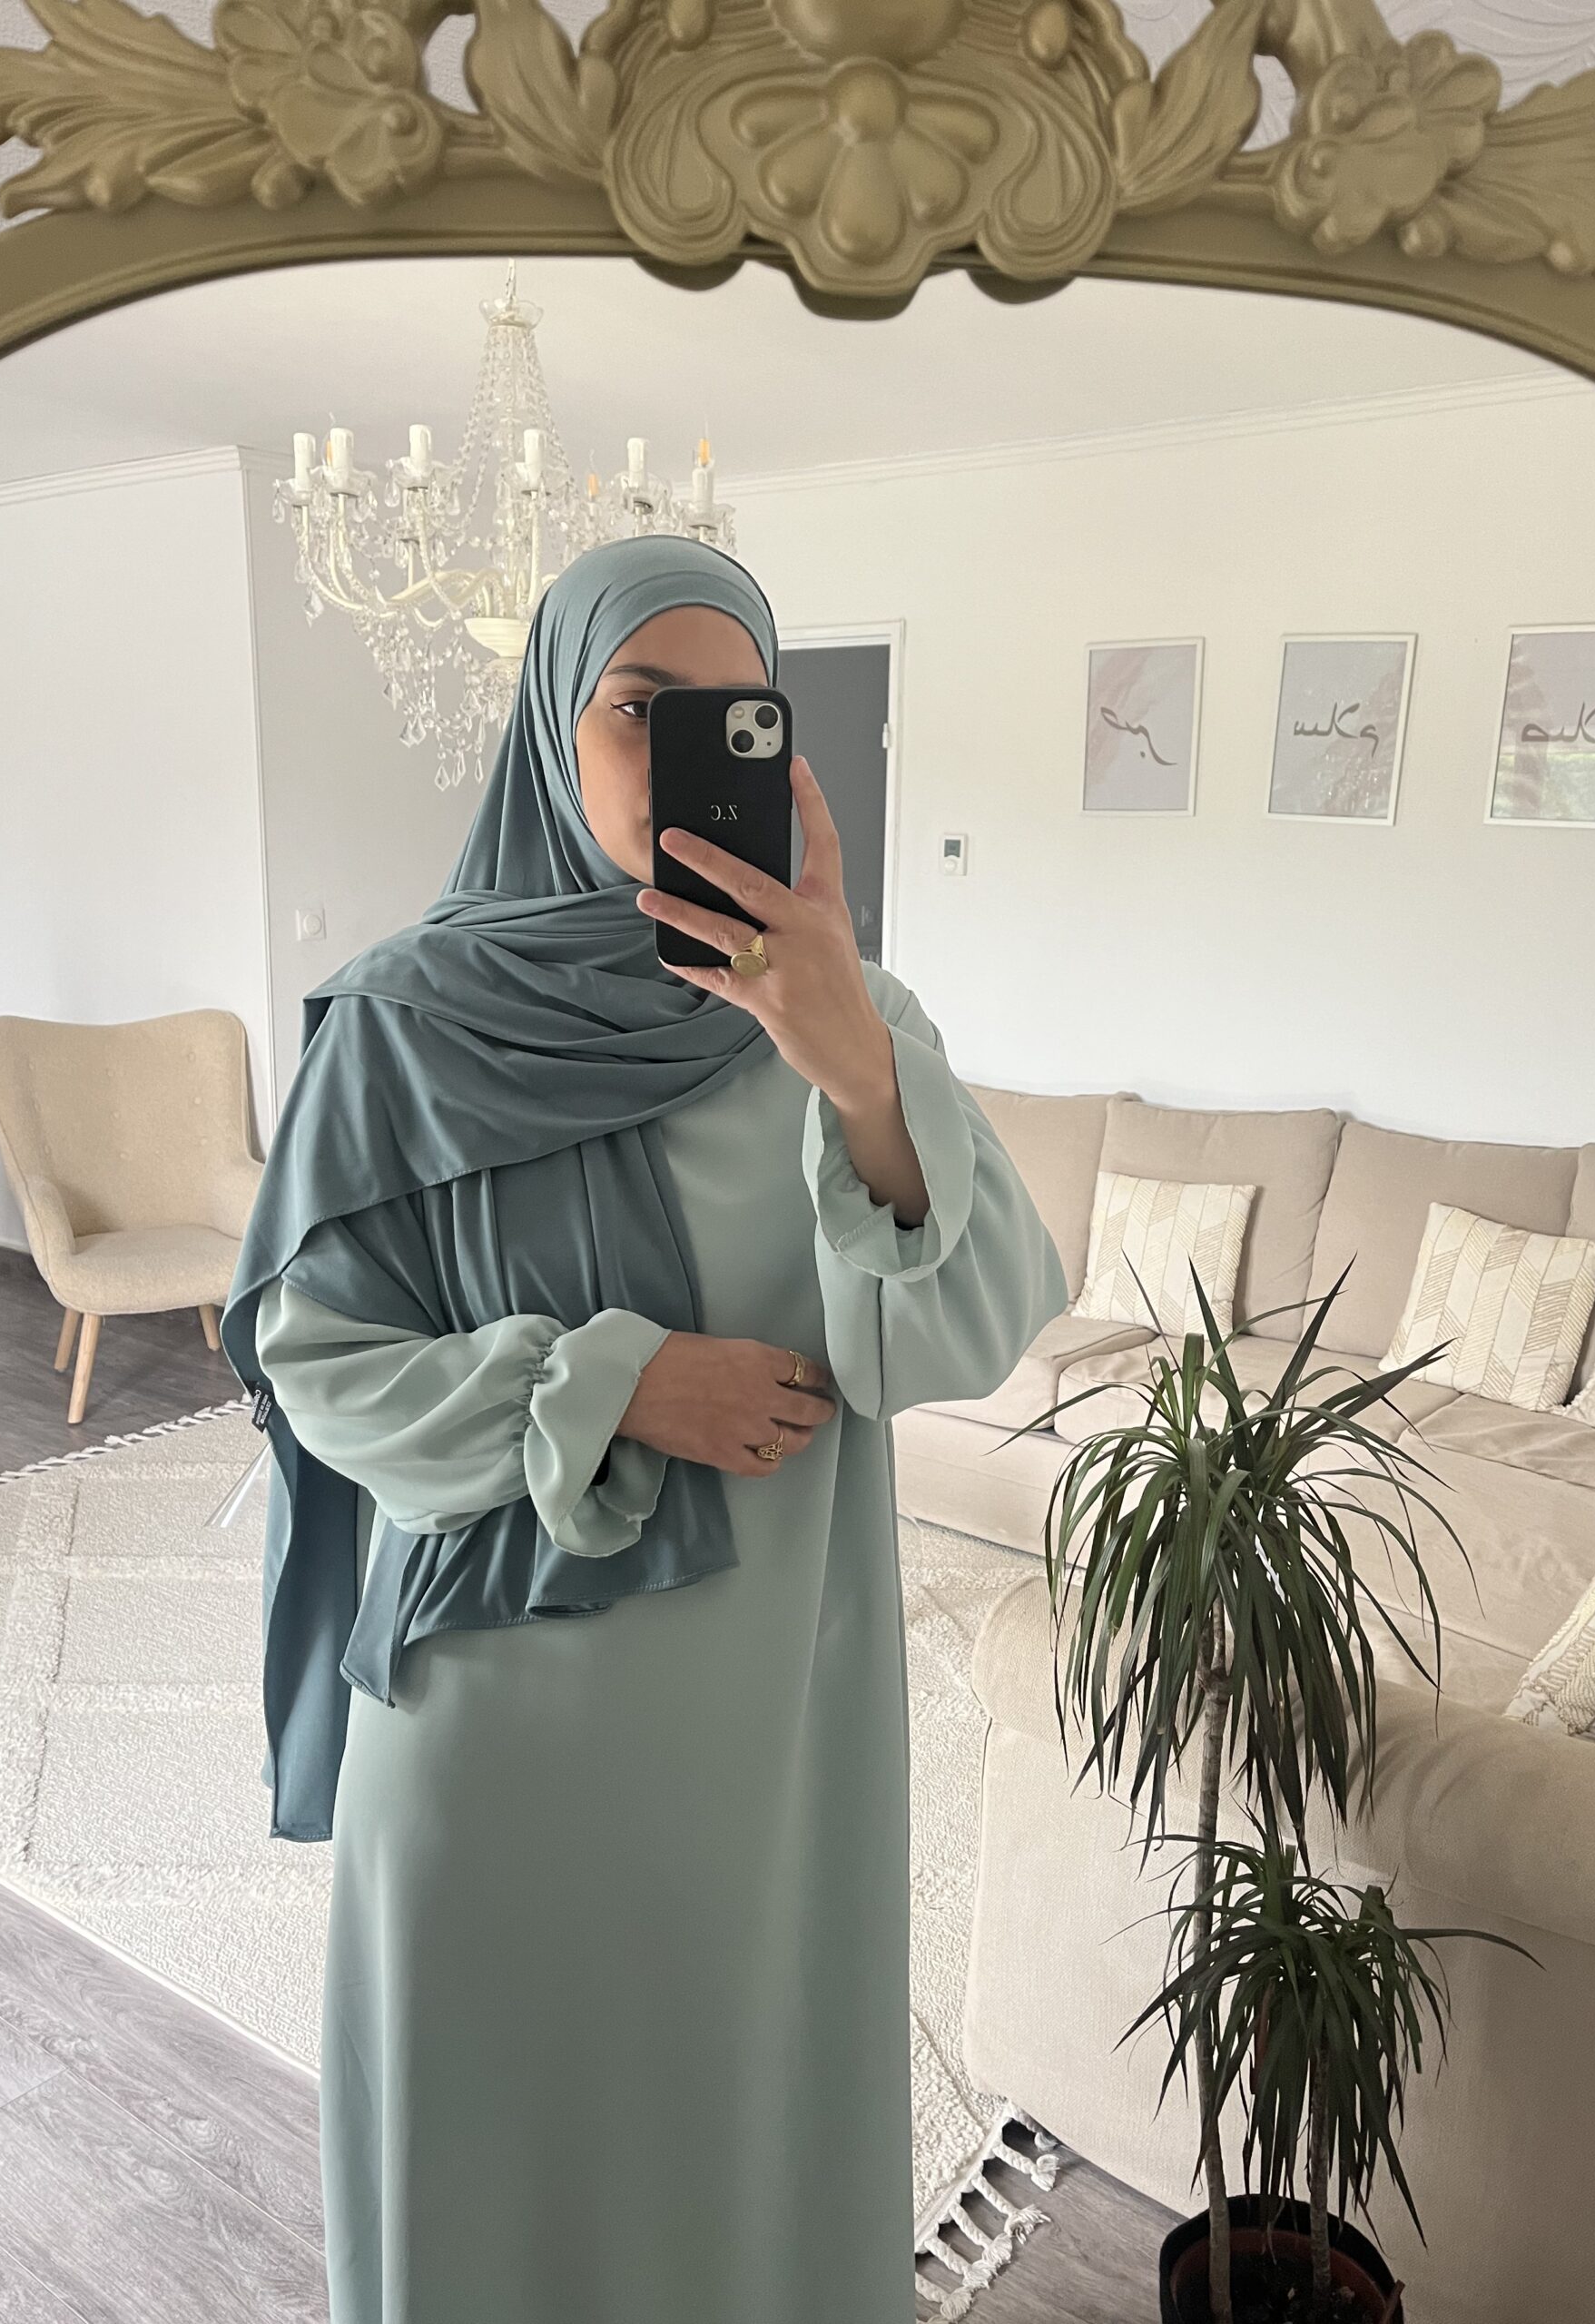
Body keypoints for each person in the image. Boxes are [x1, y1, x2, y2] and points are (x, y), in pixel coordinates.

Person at [220, 532, 1069, 2324]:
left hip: (759, 1736)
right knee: (491, 2170)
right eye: (640, 706)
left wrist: (855, 1064)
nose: (686, 750)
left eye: (737, 715)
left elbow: (963, 1330)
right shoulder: (398, 1025)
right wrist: (611, 1378)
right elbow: (318, 1362)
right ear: (554, 722)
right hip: (490, 1721)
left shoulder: (852, 1016)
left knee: (726, 2149)